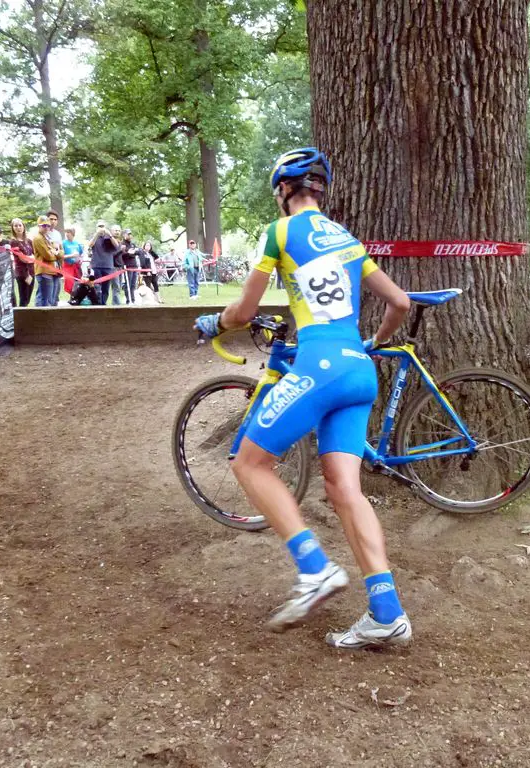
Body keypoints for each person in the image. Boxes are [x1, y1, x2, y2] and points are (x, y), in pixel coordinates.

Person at [194, 147, 413, 650]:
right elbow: (399, 302)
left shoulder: (281, 232)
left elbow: (246, 308)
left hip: (319, 366)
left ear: (283, 191)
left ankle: (314, 569)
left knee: (249, 464)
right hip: (359, 371)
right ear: (320, 190)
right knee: (344, 489)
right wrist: (373, 343)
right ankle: (387, 613)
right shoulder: (348, 240)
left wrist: (216, 322)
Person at [88, 221, 121, 306]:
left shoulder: (109, 237)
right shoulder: (94, 237)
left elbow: (117, 245)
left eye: (103, 226)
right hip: (96, 266)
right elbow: (90, 245)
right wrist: (96, 234)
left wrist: (109, 234)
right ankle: (96, 303)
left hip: (108, 266)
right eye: (100, 226)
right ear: (96, 228)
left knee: (106, 288)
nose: (101, 228)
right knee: (97, 286)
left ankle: (103, 304)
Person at [32, 215, 62, 307]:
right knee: (45, 300)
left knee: (52, 300)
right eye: (43, 226)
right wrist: (56, 254)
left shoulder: (47, 238)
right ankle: (41, 319)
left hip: (53, 271)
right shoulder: (38, 238)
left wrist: (56, 253)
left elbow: (61, 252)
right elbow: (48, 256)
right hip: (44, 272)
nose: (46, 228)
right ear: (39, 226)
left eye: (48, 226)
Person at [9, 218, 35, 307]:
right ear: (13, 228)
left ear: (23, 227)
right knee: (23, 298)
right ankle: (21, 318)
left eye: (20, 225)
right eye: (15, 226)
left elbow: (36, 255)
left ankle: (25, 317)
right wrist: (31, 258)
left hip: (31, 272)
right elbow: (23, 259)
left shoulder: (29, 241)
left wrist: (31, 258)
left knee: (28, 298)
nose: (18, 227)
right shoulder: (13, 242)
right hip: (22, 273)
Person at [61, 226, 85, 297]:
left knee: (79, 282)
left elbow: (81, 254)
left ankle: (76, 297)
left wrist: (81, 259)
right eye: (66, 232)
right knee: (69, 282)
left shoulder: (77, 243)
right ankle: (72, 295)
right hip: (67, 265)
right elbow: (61, 256)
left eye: (69, 232)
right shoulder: (63, 243)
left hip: (76, 266)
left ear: (73, 233)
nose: (67, 234)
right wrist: (71, 255)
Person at [121, 228, 140, 304]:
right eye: (128, 234)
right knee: (128, 284)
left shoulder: (132, 244)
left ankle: (133, 299)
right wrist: (129, 253)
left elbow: (137, 252)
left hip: (134, 266)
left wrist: (132, 252)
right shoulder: (122, 244)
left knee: (133, 284)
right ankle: (128, 299)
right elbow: (123, 254)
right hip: (127, 266)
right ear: (124, 235)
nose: (130, 236)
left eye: (130, 234)